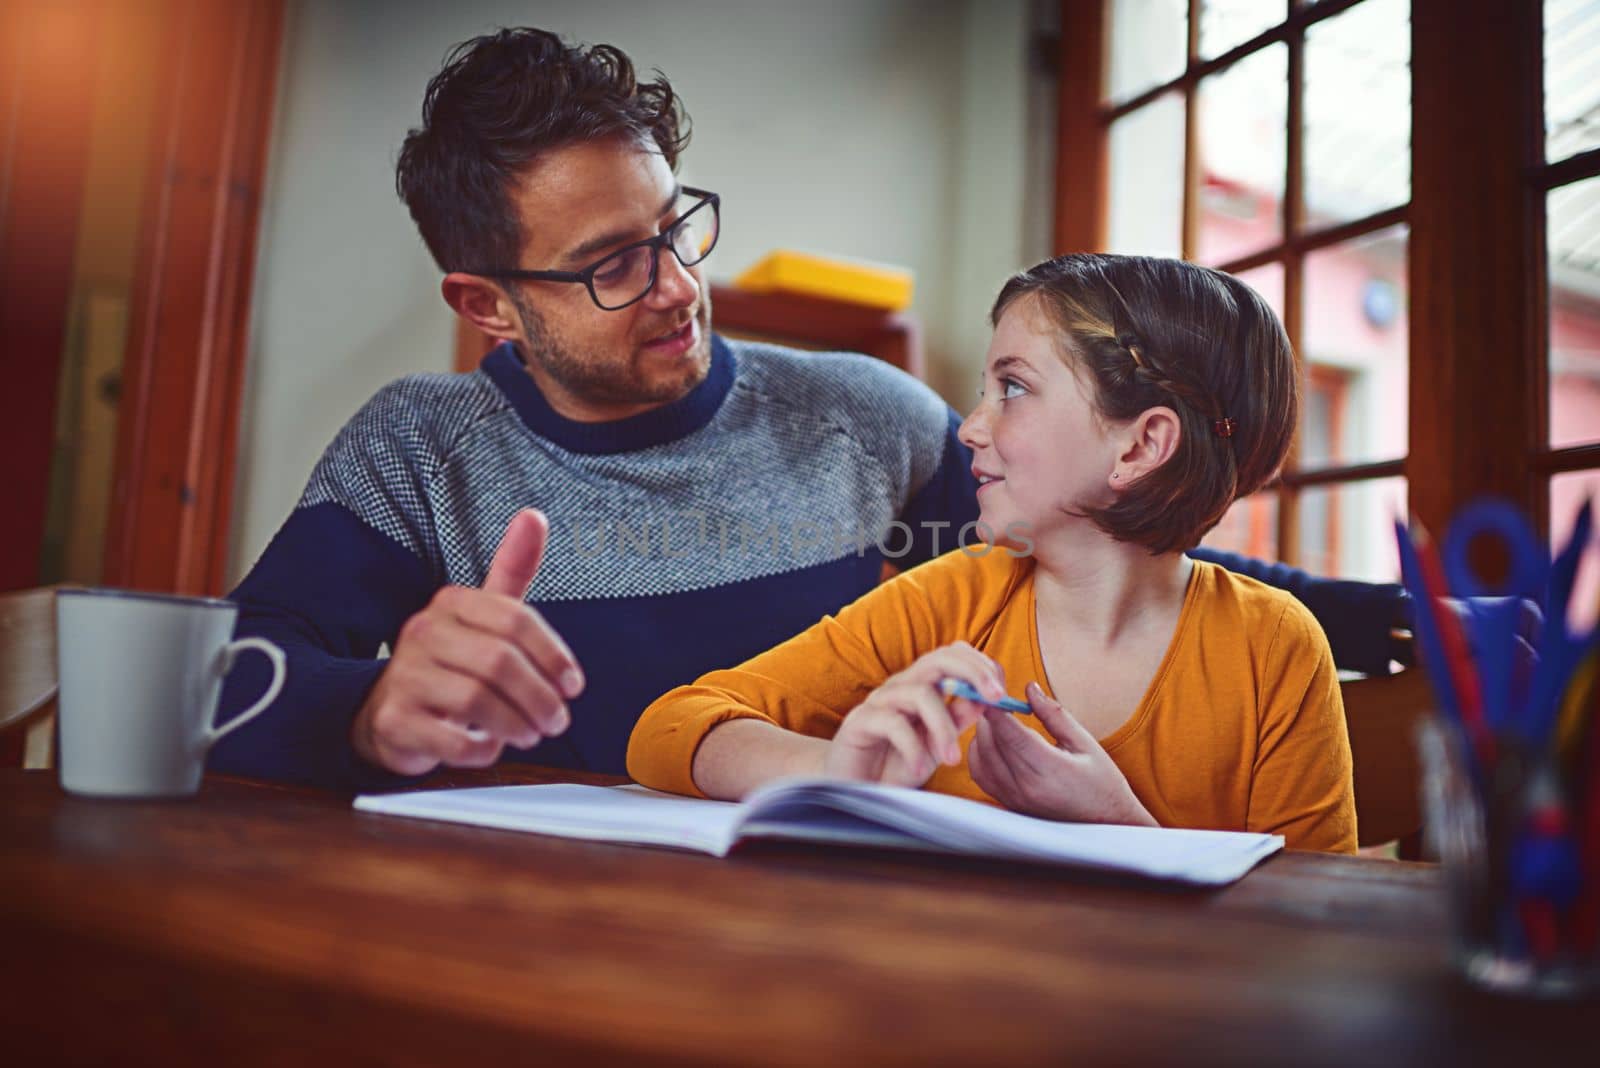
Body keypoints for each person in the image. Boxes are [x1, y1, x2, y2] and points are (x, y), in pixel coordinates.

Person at [211, 28, 1406, 794]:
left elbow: (1110, 547)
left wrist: (1394, 621)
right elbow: (224, 683)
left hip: (821, 931)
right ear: (489, 304)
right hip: (521, 932)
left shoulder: (862, 418)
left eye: (676, 229)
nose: (681, 286)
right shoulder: (419, 449)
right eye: (611, 265)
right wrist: (369, 706)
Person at [627, 253, 1357, 853]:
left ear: (1139, 445)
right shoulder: (944, 600)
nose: (970, 427)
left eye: (1013, 387)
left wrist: (1117, 827)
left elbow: (1318, 925)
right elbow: (668, 728)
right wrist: (838, 769)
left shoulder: (1276, 650)